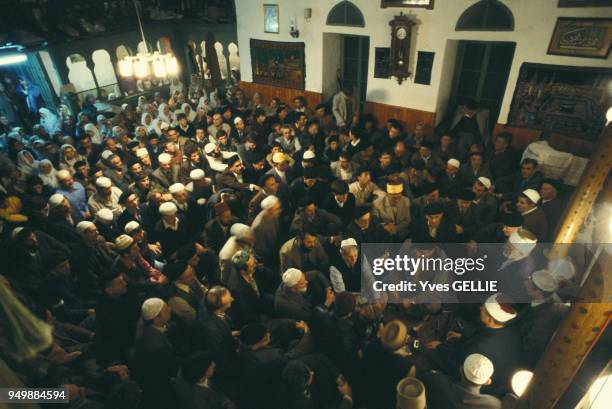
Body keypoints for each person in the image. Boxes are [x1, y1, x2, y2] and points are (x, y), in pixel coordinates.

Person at [133, 298, 179, 409]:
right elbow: (168, 368)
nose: (170, 309)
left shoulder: (146, 322)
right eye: (165, 309)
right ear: (156, 318)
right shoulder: (157, 346)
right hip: (159, 385)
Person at [421, 353, 503, 409]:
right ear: (487, 382)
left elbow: (424, 377)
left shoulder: (437, 381)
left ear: (461, 369)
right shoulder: (494, 405)